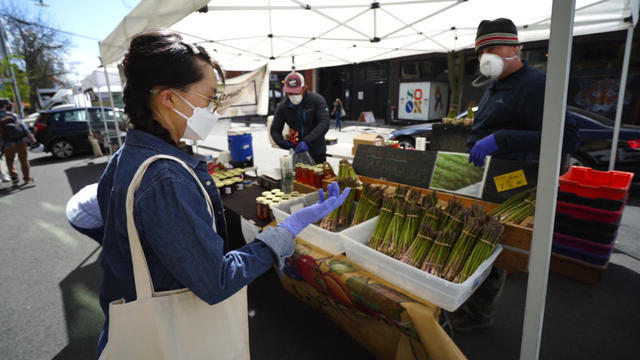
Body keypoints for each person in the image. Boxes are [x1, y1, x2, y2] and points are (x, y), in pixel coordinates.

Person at [95, 29, 349, 358]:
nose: (215, 109)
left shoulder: (125, 157)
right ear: (169, 98)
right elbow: (215, 280)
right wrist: (282, 232)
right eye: (210, 97)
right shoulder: (165, 176)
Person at [455, 18, 579, 332]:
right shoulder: (494, 84)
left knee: (492, 248)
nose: (486, 56)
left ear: (515, 48)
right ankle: (468, 303)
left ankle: (479, 315)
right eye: (481, 50)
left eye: (493, 48)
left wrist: (503, 139)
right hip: (484, 177)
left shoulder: (536, 85)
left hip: (513, 181)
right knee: (476, 237)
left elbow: (568, 138)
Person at [270, 71, 330, 164]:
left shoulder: (317, 100)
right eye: (290, 93)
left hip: (317, 151)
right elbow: (275, 130)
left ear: (305, 88)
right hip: (295, 151)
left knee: (318, 176)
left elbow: (324, 123)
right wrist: (282, 142)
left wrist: (307, 141)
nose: (293, 95)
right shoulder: (283, 106)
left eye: (296, 92)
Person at [0, 98, 36, 186]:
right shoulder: (13, 115)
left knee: (9, 161)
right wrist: (31, 137)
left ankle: (14, 178)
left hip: (6, 143)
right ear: (5, 106)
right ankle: (27, 178)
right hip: (20, 141)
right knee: (24, 161)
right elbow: (23, 127)